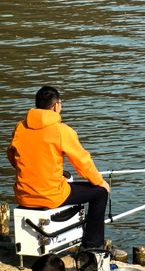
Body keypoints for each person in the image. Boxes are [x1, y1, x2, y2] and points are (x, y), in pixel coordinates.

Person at [7, 86, 110, 251]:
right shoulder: (62, 131)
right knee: (100, 193)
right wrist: (100, 182)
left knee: (66, 179)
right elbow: (82, 163)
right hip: (50, 195)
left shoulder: (20, 128)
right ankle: (92, 246)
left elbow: (13, 157)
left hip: (23, 195)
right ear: (56, 106)